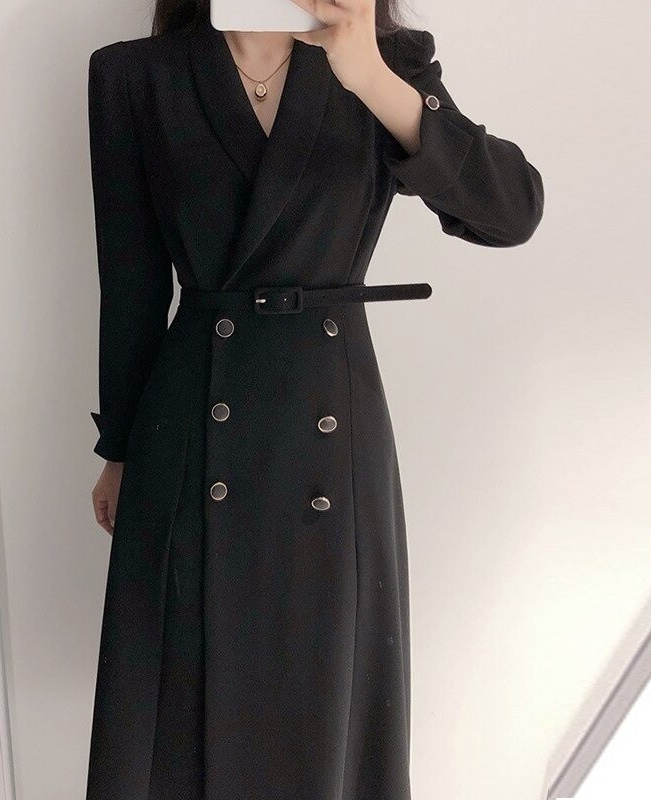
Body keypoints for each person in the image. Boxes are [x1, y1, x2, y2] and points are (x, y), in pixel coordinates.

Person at [86, 1, 544, 798]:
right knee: (183, 714)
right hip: (188, 430)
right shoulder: (134, 76)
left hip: (329, 425)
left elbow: (512, 213)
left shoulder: (385, 61)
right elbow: (131, 285)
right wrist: (119, 449)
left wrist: (372, 78)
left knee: (322, 704)